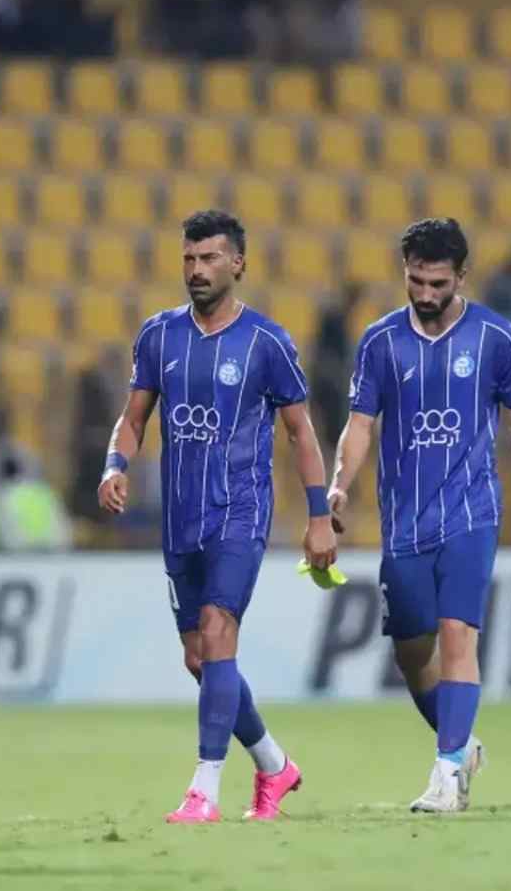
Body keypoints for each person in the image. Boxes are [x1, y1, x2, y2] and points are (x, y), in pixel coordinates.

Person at [98, 210, 337, 823]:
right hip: (179, 518)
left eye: (208, 259)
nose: (196, 270)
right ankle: (275, 765)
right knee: (201, 659)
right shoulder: (158, 335)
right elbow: (133, 417)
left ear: (238, 263)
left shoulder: (266, 342)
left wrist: (318, 517)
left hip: (240, 511)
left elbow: (301, 433)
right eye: (189, 258)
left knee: (217, 629)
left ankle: (203, 790)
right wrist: (114, 465)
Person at [328, 218, 511, 813]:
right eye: (416, 281)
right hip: (404, 523)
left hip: (471, 513)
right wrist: (339, 486)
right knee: (411, 652)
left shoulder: (496, 337)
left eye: (437, 283)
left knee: (459, 635)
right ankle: (462, 745)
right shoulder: (380, 341)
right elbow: (359, 424)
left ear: (462, 276)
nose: (425, 294)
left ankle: (447, 773)